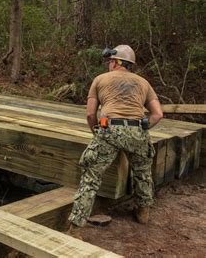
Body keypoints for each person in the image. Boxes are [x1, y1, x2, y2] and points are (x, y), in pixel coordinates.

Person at [66, 45, 163, 239]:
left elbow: (90, 113)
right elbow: (158, 114)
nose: (109, 65)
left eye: (110, 61)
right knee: (143, 173)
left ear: (116, 62)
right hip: (138, 130)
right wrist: (141, 129)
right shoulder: (143, 83)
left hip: (109, 128)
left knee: (90, 178)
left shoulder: (100, 79)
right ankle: (143, 212)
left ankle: (76, 228)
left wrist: (97, 134)